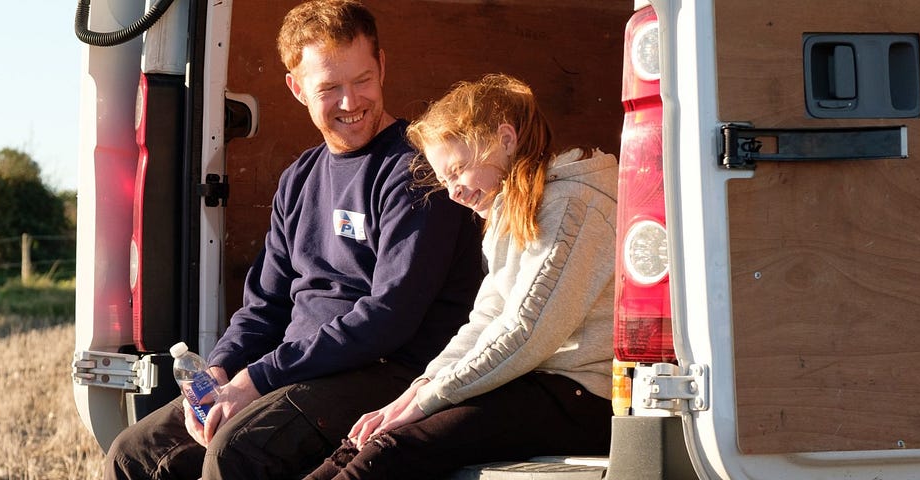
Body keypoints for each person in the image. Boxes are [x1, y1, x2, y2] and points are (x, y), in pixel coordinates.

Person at [101, 1, 486, 479]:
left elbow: (389, 318)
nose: (351, 102)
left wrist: (259, 379)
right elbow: (264, 306)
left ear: (383, 66)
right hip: (300, 370)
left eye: (362, 79)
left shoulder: (418, 170)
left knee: (237, 451)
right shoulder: (299, 178)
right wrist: (221, 372)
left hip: (388, 372)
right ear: (297, 88)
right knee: (133, 451)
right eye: (329, 88)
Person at [303, 73, 619, 480]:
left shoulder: (571, 206)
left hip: (581, 395)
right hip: (533, 382)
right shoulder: (513, 212)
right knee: (363, 440)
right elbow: (485, 320)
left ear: (506, 139)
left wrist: (427, 401)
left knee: (395, 448)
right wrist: (421, 387)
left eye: (458, 170)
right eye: (444, 180)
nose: (453, 192)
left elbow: (524, 331)